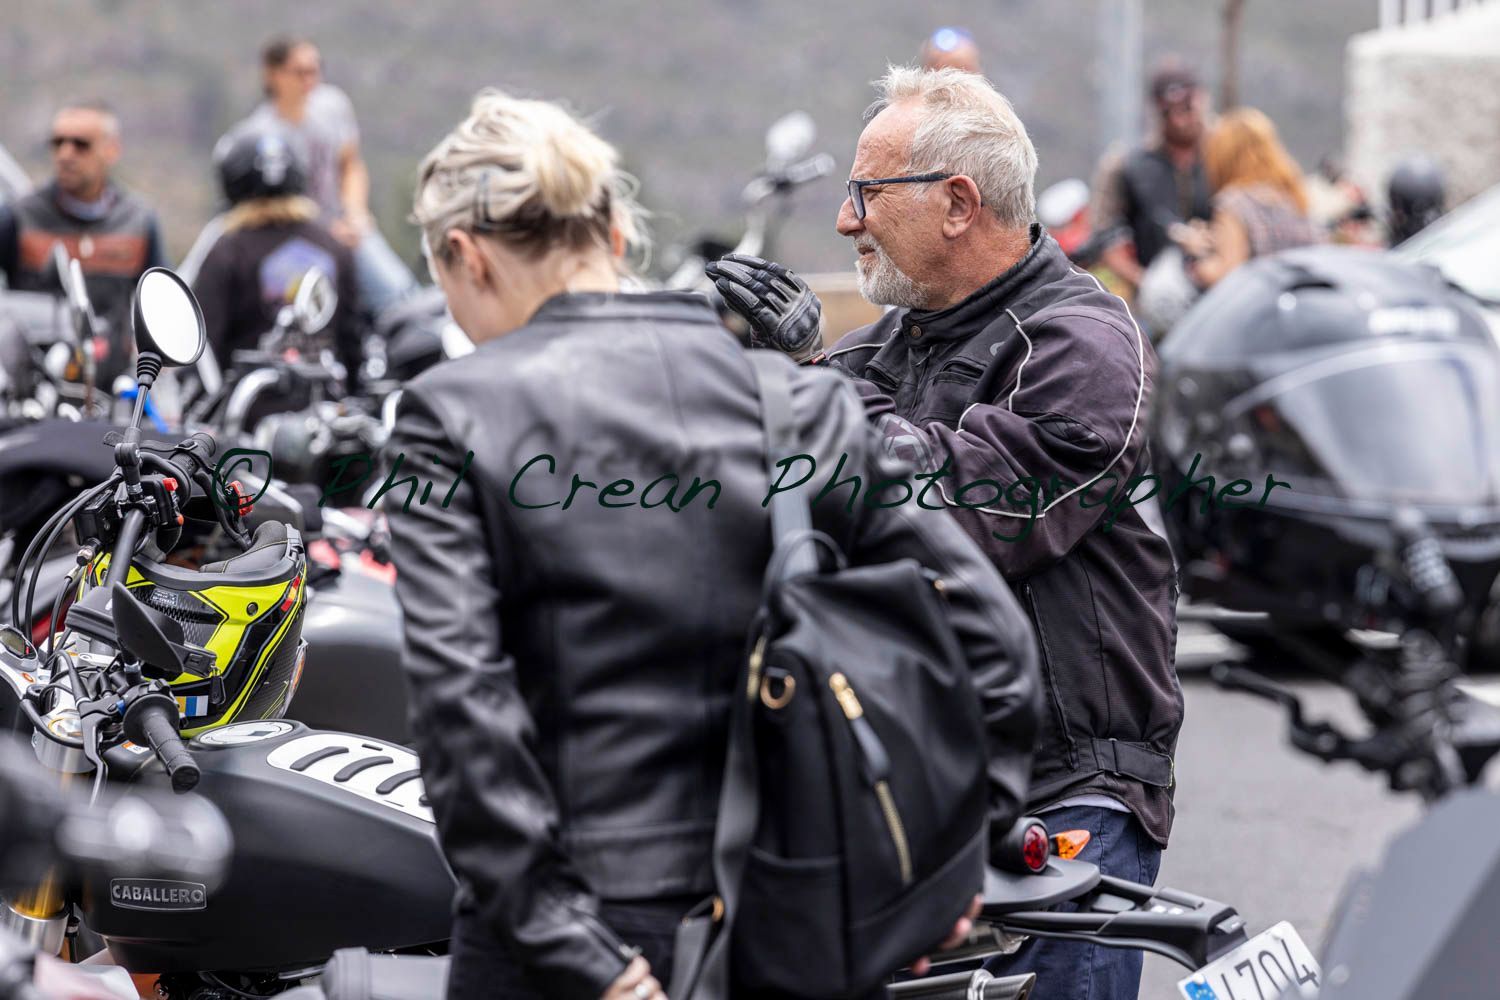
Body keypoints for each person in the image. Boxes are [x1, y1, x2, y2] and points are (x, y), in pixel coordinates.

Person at [384, 88, 1041, 1000]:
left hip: (565, 943)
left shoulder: (450, 415)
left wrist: (585, 958)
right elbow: (995, 643)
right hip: (789, 917)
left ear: (463, 256)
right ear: (615, 236)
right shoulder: (793, 402)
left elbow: (466, 719)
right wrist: (940, 874)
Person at [709, 66, 1182, 1000]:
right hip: (897, 785)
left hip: (1065, 791)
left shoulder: (1085, 345)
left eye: (865, 193)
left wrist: (806, 378)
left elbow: (958, 513)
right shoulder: (879, 349)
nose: (846, 221)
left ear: (958, 202)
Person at [241, 35, 416, 315]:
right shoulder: (260, 134)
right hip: (296, 239)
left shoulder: (332, 106)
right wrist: (324, 231)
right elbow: (267, 207)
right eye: (300, 72)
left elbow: (350, 165)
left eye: (315, 70)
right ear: (273, 75)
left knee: (399, 291)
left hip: (346, 228)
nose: (310, 79)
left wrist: (355, 213)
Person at [0, 99, 167, 381]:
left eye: (81, 144)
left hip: (111, 391)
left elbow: (161, 306)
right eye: (58, 143)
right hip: (32, 392)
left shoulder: (139, 221)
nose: (66, 154)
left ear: (111, 150)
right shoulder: (19, 216)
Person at [192, 121, 361, 387]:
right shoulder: (334, 248)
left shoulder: (227, 251)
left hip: (246, 417)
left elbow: (202, 346)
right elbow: (353, 342)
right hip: (325, 409)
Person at [1094, 60, 1213, 295]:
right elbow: (1105, 239)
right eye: (1169, 112)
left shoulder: (1229, 154)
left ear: (1202, 98)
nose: (1179, 120)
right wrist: (1151, 286)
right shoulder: (1126, 165)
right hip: (1156, 297)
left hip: (1224, 291)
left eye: (1187, 108)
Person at [1174, 107, 1323, 289]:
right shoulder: (1294, 197)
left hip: (1260, 310)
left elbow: (1227, 275)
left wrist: (1196, 254)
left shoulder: (1234, 204)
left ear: (1223, 156)